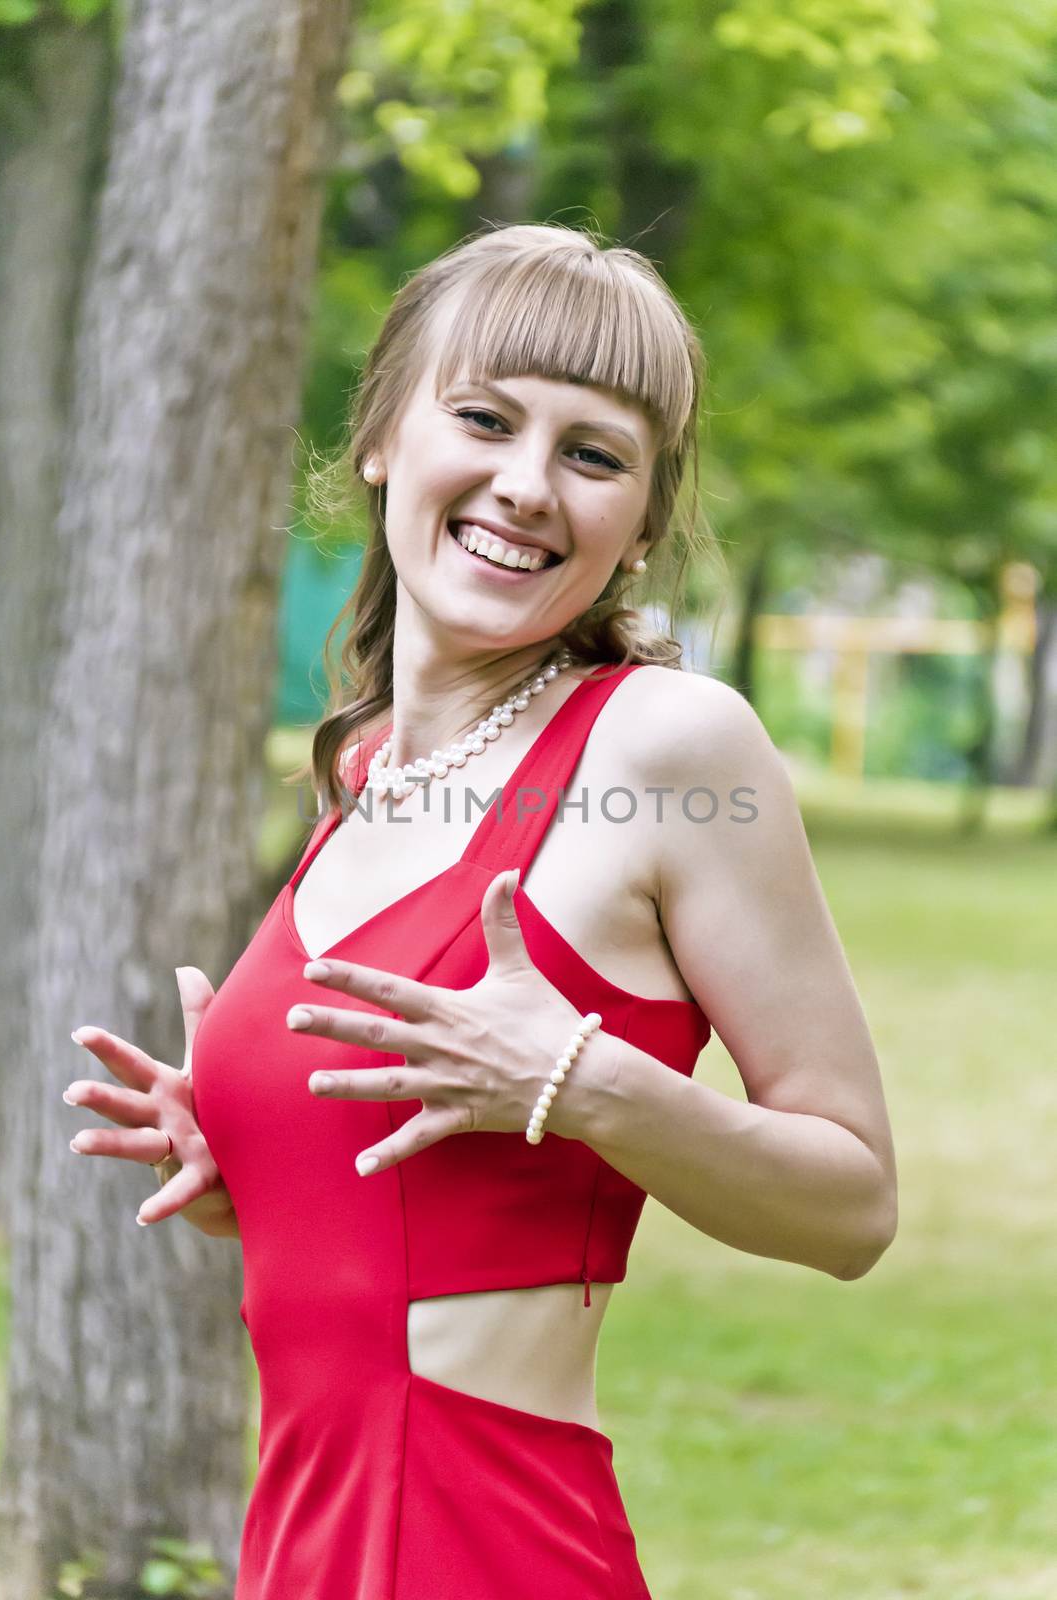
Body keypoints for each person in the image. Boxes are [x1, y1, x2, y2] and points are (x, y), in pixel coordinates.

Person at [65, 221, 897, 1599]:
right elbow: (412, 1225)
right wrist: (256, 1162)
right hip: (305, 1541)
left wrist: (577, 1079)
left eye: (594, 454)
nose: (526, 486)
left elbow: (853, 1205)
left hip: (481, 1538)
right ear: (385, 436)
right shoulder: (368, 772)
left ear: (637, 527)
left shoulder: (668, 746)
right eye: (486, 419)